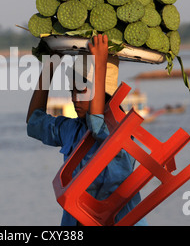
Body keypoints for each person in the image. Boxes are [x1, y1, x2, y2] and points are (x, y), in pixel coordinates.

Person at [26, 34, 147, 226]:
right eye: (71, 91)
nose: (74, 98)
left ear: (104, 95)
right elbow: (34, 123)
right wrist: (50, 66)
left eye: (81, 90)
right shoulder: (72, 130)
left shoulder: (121, 131)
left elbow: (98, 126)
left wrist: (99, 64)